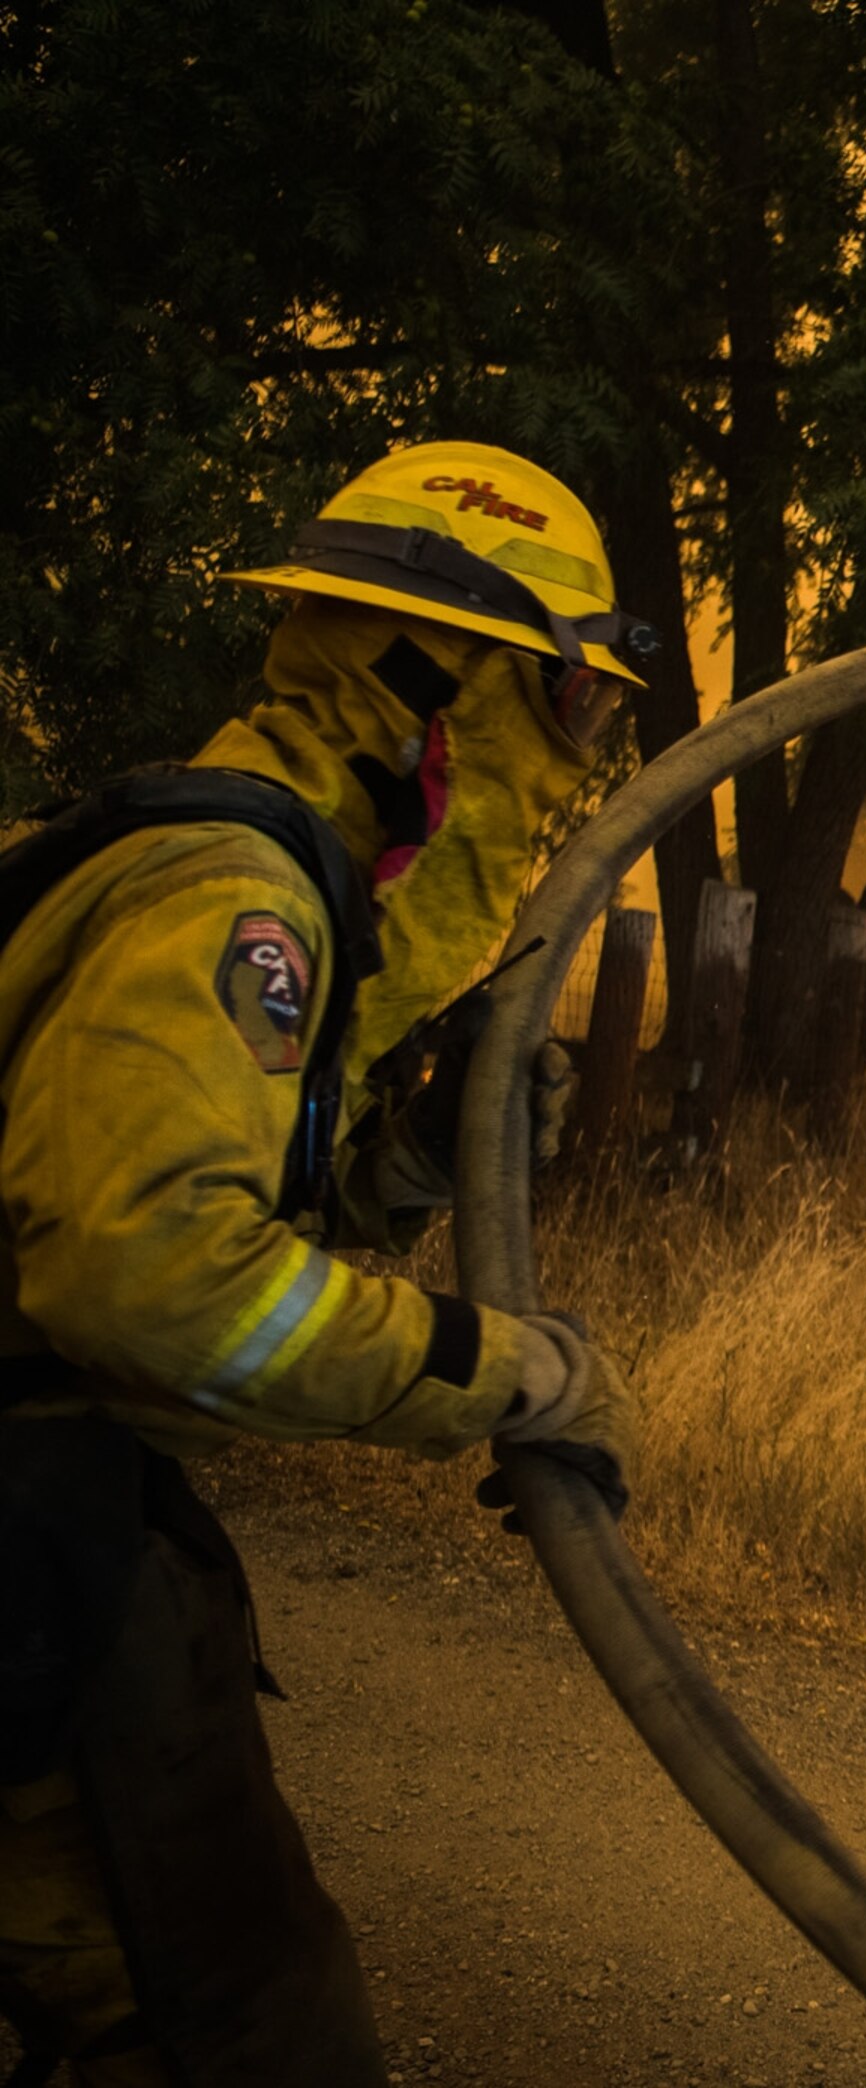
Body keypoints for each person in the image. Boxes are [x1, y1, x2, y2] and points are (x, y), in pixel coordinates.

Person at [0, 442, 643, 2084]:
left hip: (50, 1533)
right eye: (572, 709)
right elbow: (146, 1281)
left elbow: (176, 1217)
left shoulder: (265, 889)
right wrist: (490, 1366)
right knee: (237, 2037)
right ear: (448, 684)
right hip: (29, 1542)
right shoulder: (239, 898)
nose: (585, 763)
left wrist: (397, 1170)